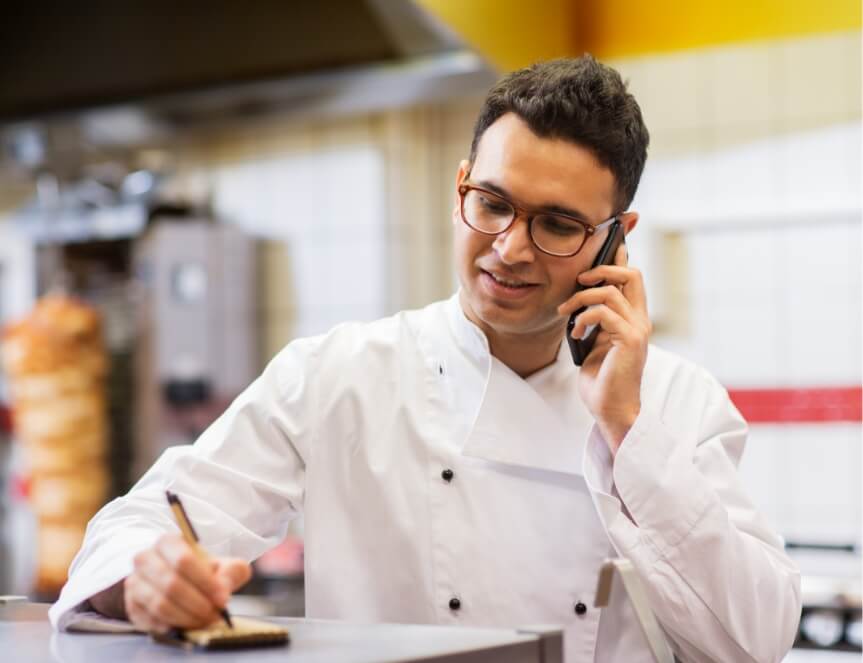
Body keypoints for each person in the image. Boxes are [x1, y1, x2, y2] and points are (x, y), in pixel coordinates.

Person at [50, 56, 801, 662]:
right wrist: (144, 581)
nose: (508, 247)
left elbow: (755, 640)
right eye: (494, 203)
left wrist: (628, 431)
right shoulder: (338, 375)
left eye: (558, 225)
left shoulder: (677, 402)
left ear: (615, 237)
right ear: (459, 187)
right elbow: (141, 524)